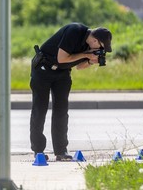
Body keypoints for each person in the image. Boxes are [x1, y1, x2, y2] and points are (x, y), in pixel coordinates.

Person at [30, 22, 112, 161]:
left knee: (61, 111)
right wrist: (85, 54)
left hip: (62, 74)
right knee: (40, 109)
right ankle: (38, 151)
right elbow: (62, 58)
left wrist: (91, 61)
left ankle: (61, 151)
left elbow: (79, 67)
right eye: (100, 46)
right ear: (94, 39)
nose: (98, 49)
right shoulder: (74, 31)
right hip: (43, 69)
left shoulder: (89, 46)